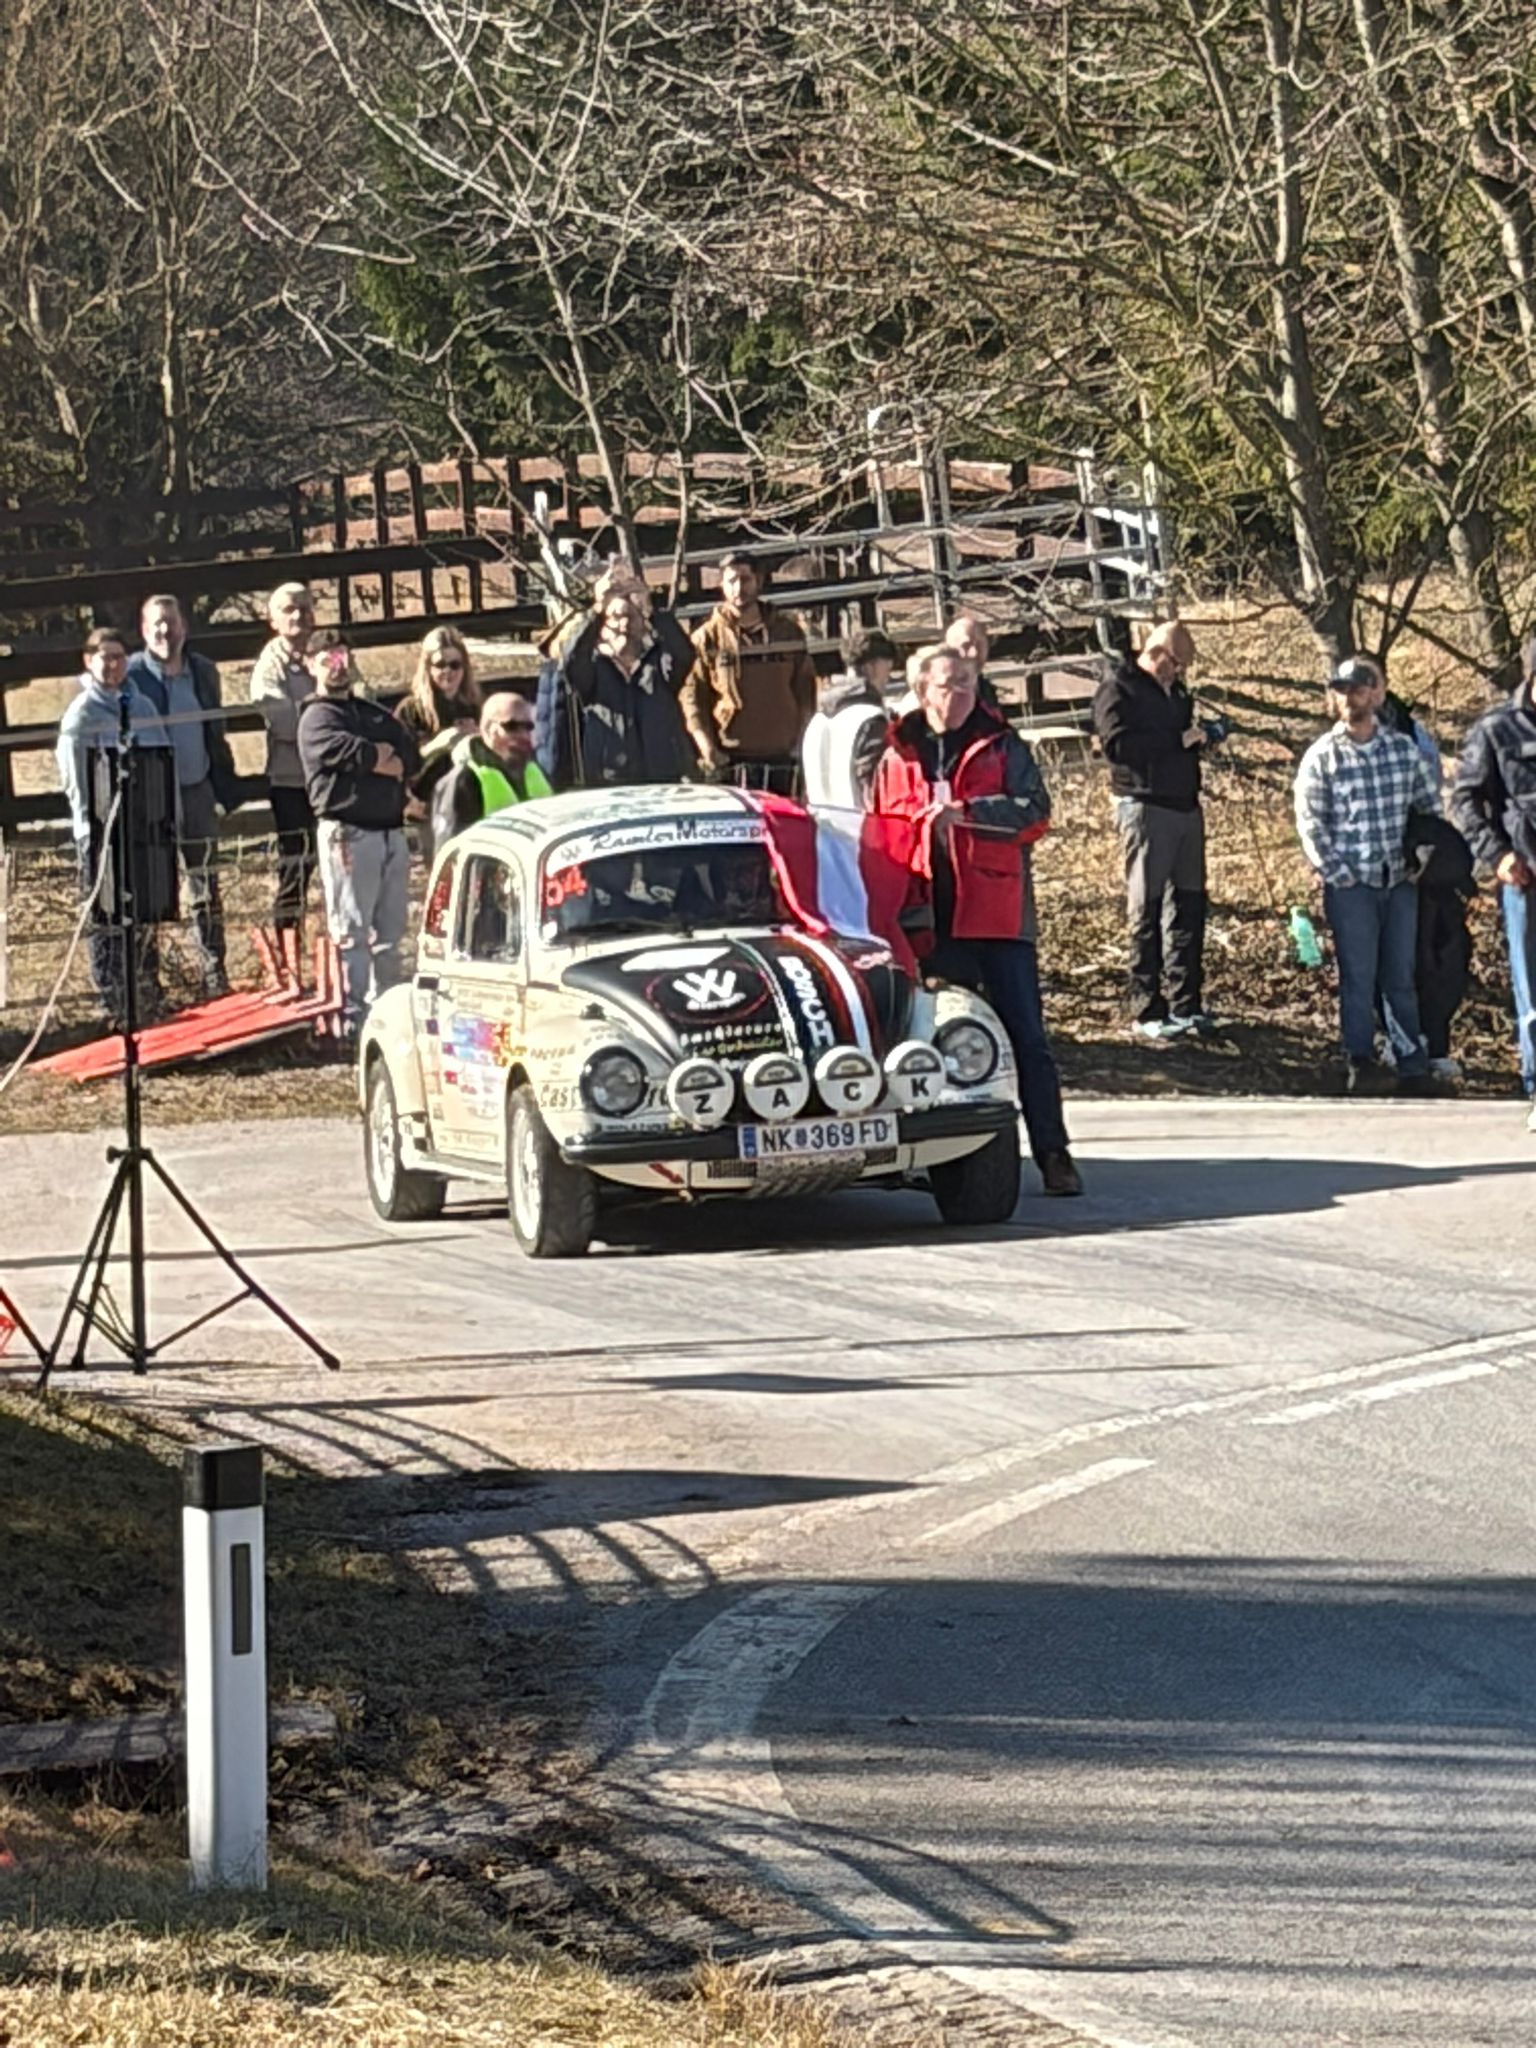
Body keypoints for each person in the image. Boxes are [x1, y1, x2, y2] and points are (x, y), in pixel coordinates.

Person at [872, 646, 1082, 1197]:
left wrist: (967, 814)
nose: (961, 691)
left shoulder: (1001, 742)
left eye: (968, 680)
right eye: (949, 683)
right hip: (928, 919)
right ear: (923, 691)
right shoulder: (896, 754)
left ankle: (1054, 1153)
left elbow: (1035, 812)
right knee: (940, 1039)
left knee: (1027, 1037)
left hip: (998, 915)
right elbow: (880, 832)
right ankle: (951, 1160)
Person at [1294, 661, 1440, 1095]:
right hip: (1351, 887)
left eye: (1356, 689)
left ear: (1375, 694)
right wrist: (1338, 874)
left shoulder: (1402, 750)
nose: (1348, 698)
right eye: (1340, 690)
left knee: (1400, 976)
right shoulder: (1322, 756)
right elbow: (1310, 822)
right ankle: (1360, 1062)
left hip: (1399, 881)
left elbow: (1429, 809)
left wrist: (1422, 857)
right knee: (1357, 977)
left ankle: (1412, 1064)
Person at [1092, 620, 1213, 1041]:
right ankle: (1146, 1006)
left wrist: (1201, 740)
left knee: (1189, 905)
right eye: (1175, 664)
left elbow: (1181, 739)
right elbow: (1117, 746)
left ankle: (1186, 1003)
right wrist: (1176, 741)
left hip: (1185, 805)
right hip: (1145, 806)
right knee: (1147, 908)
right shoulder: (1119, 688)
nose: (1178, 673)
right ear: (1157, 652)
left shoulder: (1177, 693)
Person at [297, 630, 421, 1038]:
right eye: (327, 660)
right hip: (349, 834)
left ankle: (387, 1010)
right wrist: (375, 757)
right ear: (310, 665)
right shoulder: (316, 717)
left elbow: (407, 754)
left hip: (391, 831)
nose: (337, 666)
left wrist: (380, 760)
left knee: (391, 930)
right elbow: (352, 753)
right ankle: (354, 1016)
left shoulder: (372, 713)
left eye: (342, 657)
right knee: (352, 931)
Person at [56, 628, 172, 1025]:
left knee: (145, 909)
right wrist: (90, 829)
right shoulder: (81, 715)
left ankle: (147, 989)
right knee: (106, 915)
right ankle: (112, 998)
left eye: (119, 657)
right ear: (89, 661)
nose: (113, 665)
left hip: (144, 828)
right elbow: (75, 780)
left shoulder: (142, 706)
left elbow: (161, 756)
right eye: (105, 657)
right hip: (102, 833)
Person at [126, 594, 239, 998]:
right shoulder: (131, 674)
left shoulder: (203, 672)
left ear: (184, 627)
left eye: (171, 622)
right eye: (156, 623)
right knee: (152, 887)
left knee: (205, 883)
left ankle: (214, 972)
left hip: (197, 789)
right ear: (144, 630)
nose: (164, 631)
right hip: (152, 796)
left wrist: (223, 779)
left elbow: (215, 729)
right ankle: (149, 982)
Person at [1451, 634, 1536, 1129]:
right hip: (1525, 879)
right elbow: (1464, 801)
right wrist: (1498, 856)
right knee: (1533, 990)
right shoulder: (1496, 729)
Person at [544, 564, 696, 788]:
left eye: (631, 617)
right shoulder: (593, 668)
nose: (624, 625)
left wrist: (651, 610)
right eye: (615, 617)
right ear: (602, 626)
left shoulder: (657, 664)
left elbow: (684, 654)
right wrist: (597, 608)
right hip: (609, 781)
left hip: (664, 778)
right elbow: (571, 657)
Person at [683, 551, 816, 792]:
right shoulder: (706, 638)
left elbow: (806, 691)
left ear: (759, 581)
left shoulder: (788, 632)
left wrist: (802, 741)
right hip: (731, 760)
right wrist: (707, 747)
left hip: (783, 757)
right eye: (731, 581)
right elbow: (693, 699)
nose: (738, 588)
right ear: (722, 585)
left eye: (745, 579)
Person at [248, 582, 318, 967]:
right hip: (291, 781)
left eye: (305, 607)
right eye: (289, 609)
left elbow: (359, 692)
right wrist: (325, 721)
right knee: (296, 866)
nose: (299, 615)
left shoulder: (326, 651)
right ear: (273, 619)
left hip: (331, 779)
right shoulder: (270, 664)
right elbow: (281, 720)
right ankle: (288, 954)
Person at [432, 691, 552, 846]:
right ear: (488, 729)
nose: (523, 734)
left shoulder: (536, 770)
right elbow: (449, 850)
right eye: (511, 726)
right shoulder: (464, 779)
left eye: (528, 727)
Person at [801, 626, 899, 811]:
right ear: (873, 667)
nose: (887, 680)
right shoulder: (871, 720)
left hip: (820, 824)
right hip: (860, 824)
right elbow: (873, 787)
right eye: (887, 671)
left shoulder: (818, 718)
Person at [943, 612, 1001, 710]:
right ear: (949, 650)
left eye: (980, 644)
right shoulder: (940, 696)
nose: (974, 653)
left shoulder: (985, 690)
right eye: (965, 646)